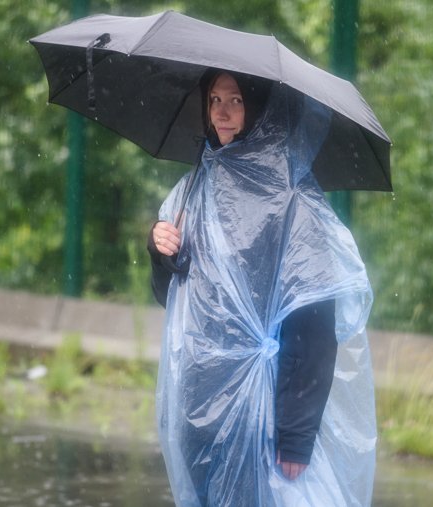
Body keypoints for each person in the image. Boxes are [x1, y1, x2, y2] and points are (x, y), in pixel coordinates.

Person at [147, 70, 376, 507]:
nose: (222, 113)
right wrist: (161, 249)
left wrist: (295, 434)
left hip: (264, 402)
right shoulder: (196, 186)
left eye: (235, 100)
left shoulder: (290, 197)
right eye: (214, 100)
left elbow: (313, 320)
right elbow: (172, 298)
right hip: (200, 393)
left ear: (260, 109)